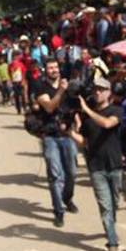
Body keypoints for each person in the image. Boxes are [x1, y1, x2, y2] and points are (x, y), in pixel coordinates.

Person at [70, 77, 122, 251]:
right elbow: (85, 141)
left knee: (114, 204)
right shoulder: (87, 118)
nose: (98, 92)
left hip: (114, 165)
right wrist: (70, 133)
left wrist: (86, 110)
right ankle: (112, 243)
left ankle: (111, 230)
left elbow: (108, 124)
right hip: (96, 167)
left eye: (102, 89)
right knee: (105, 207)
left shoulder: (116, 110)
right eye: (96, 90)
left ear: (109, 92)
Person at [31, 57, 78, 227]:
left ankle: (67, 198)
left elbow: (74, 105)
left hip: (67, 135)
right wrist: (60, 91)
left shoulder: (67, 85)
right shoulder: (40, 86)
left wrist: (77, 122)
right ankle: (59, 211)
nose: (54, 70)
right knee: (55, 175)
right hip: (50, 136)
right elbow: (49, 106)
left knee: (72, 173)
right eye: (50, 68)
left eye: (56, 67)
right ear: (45, 70)